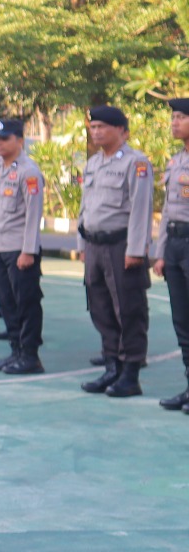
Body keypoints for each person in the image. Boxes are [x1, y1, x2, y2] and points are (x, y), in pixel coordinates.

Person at [78, 106, 154, 398]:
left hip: (121, 246)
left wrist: (136, 250)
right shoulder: (93, 163)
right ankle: (112, 366)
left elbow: (141, 208)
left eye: (102, 127)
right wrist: (82, 245)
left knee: (129, 309)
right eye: (93, 127)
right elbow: (85, 206)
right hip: (95, 245)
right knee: (100, 307)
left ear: (121, 130)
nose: (96, 132)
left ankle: (131, 373)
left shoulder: (136, 163)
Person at [0, 119, 45, 374]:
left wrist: (28, 250)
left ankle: (30, 356)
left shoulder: (29, 172)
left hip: (19, 248)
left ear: (19, 140)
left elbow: (33, 214)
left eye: (5, 138)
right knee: (6, 301)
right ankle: (16, 351)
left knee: (25, 303)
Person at [156, 98, 189, 411]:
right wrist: (161, 251)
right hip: (176, 245)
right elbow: (168, 210)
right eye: (173, 117)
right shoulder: (176, 161)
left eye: (181, 117)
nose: (174, 122)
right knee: (182, 321)